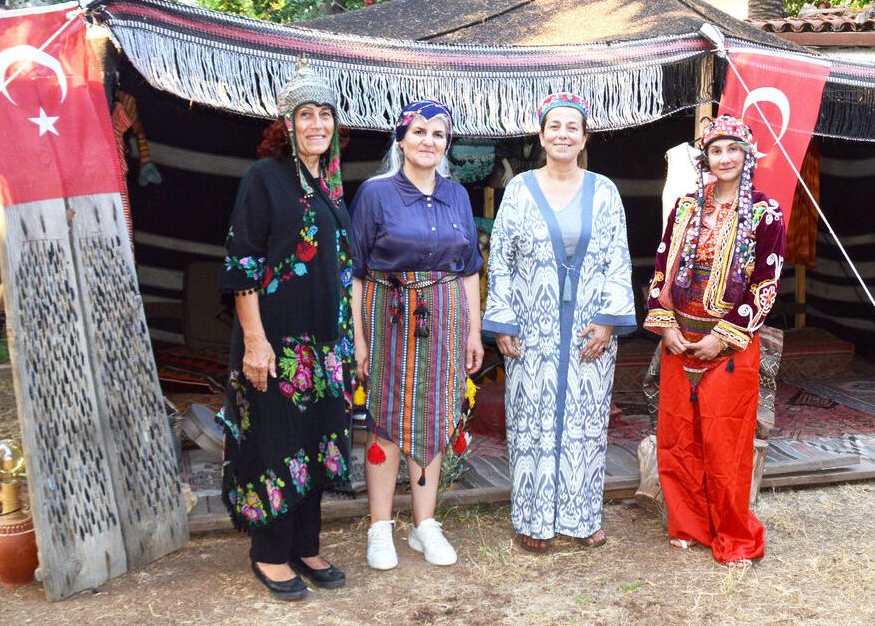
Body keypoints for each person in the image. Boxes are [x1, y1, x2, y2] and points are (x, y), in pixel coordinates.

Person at [217, 64, 356, 600]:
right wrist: (255, 342)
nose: (317, 124)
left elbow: (340, 270)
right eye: (306, 114)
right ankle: (270, 553)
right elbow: (244, 265)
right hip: (275, 343)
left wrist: (350, 344)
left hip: (324, 345)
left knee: (315, 437)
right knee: (275, 440)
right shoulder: (265, 177)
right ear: (287, 123)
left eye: (325, 114)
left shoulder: (329, 186)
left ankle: (304, 544)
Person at [483, 93, 636, 553]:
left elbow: (617, 258)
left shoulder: (604, 192)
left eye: (573, 127)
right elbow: (501, 260)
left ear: (584, 138)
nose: (563, 134)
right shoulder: (520, 190)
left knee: (586, 423)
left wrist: (608, 322)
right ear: (542, 135)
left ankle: (582, 516)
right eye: (555, 126)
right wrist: (503, 321)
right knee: (531, 420)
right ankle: (532, 519)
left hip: (591, 331)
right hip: (532, 330)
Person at [644, 115, 787, 565]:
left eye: (733, 150)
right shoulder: (686, 206)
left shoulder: (766, 212)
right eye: (716, 151)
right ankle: (688, 523)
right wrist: (666, 326)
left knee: (726, 443)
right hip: (679, 337)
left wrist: (723, 338)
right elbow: (661, 268)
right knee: (678, 438)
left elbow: (765, 285)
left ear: (748, 156)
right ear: (705, 158)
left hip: (729, 346)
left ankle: (732, 533)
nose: (724, 159)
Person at [349, 100, 484, 569]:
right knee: (386, 415)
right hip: (387, 315)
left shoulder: (458, 195)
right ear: (401, 139)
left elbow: (469, 270)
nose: (429, 141)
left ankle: (424, 525)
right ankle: (380, 527)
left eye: (439, 134)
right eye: (420, 131)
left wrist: (474, 332)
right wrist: (359, 338)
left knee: (434, 414)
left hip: (445, 318)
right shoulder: (375, 194)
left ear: (447, 144)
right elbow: (356, 273)